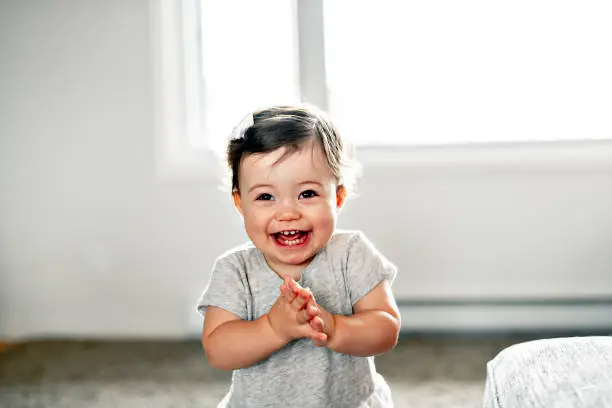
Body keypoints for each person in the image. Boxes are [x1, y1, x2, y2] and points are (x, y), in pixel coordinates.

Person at [196, 104, 401, 407]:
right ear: (240, 204)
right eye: (265, 197)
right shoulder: (236, 270)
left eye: (307, 194)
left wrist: (335, 327)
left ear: (338, 197)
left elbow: (385, 328)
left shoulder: (351, 254)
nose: (288, 213)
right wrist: (272, 328)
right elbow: (218, 348)